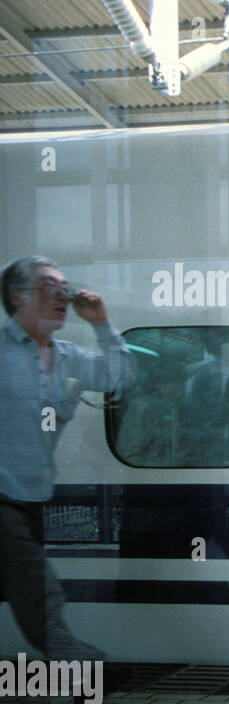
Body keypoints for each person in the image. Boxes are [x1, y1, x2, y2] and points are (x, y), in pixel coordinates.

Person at [0, 255, 135, 660]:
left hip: (34, 497)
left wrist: (101, 323)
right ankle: (86, 670)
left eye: (64, 287)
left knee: (22, 588)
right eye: (49, 287)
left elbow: (121, 376)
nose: (63, 295)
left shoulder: (69, 357)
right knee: (39, 590)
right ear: (18, 297)